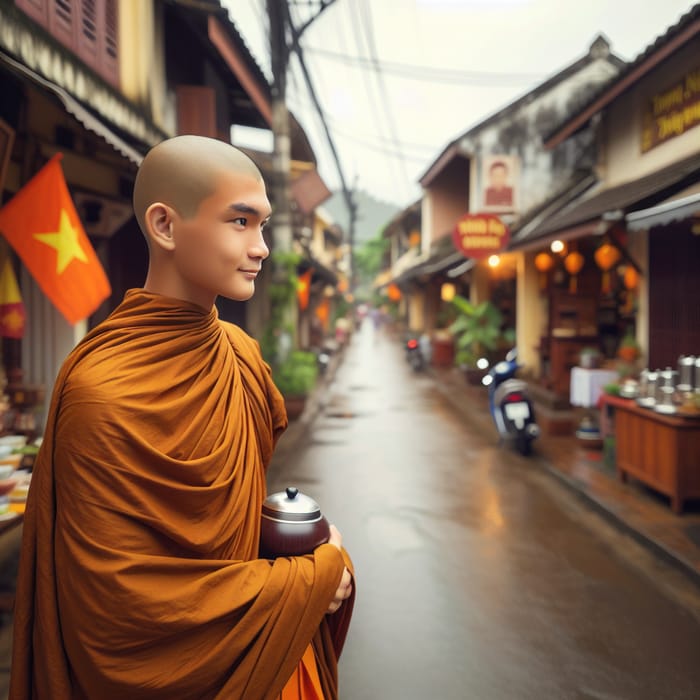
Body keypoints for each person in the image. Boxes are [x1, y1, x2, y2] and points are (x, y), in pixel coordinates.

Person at [9, 135, 354, 700]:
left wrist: (300, 554)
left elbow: (229, 536)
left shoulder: (241, 356)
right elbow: (117, 617)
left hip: (252, 662)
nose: (262, 247)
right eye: (240, 222)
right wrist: (310, 581)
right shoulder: (102, 390)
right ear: (166, 226)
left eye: (262, 225)